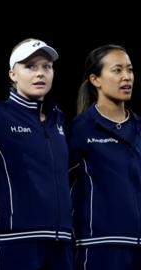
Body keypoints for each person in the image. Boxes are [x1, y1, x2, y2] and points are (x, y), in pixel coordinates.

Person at [0, 38, 73, 269]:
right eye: (30, 67)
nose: (40, 74)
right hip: (15, 241)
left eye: (46, 67)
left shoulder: (58, 119)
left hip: (61, 242)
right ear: (12, 74)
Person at [69, 44, 140, 269]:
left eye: (129, 70)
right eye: (117, 70)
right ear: (95, 79)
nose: (126, 77)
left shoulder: (139, 127)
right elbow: (55, 182)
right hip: (98, 247)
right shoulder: (78, 129)